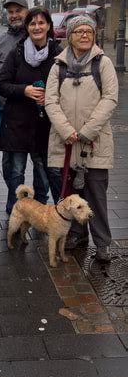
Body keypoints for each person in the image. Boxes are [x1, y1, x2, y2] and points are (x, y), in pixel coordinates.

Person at [45, 15, 118, 263]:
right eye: (79, 31)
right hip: (65, 142)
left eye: (89, 31)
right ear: (70, 36)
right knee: (71, 195)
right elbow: (50, 101)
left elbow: (110, 99)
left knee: (96, 196)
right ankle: (77, 235)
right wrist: (66, 130)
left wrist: (88, 130)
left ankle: (103, 243)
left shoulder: (103, 64)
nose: (85, 35)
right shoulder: (58, 66)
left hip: (93, 143)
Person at [0, 7, 62, 214]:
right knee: (16, 171)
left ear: (49, 26)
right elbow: (1, 84)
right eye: (32, 23)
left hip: (45, 124)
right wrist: (24, 90)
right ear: (27, 27)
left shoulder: (58, 55)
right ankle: (15, 209)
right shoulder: (17, 52)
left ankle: (40, 210)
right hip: (17, 123)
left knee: (43, 171)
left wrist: (52, 95)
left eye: (41, 23)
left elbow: (66, 86)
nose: (37, 27)